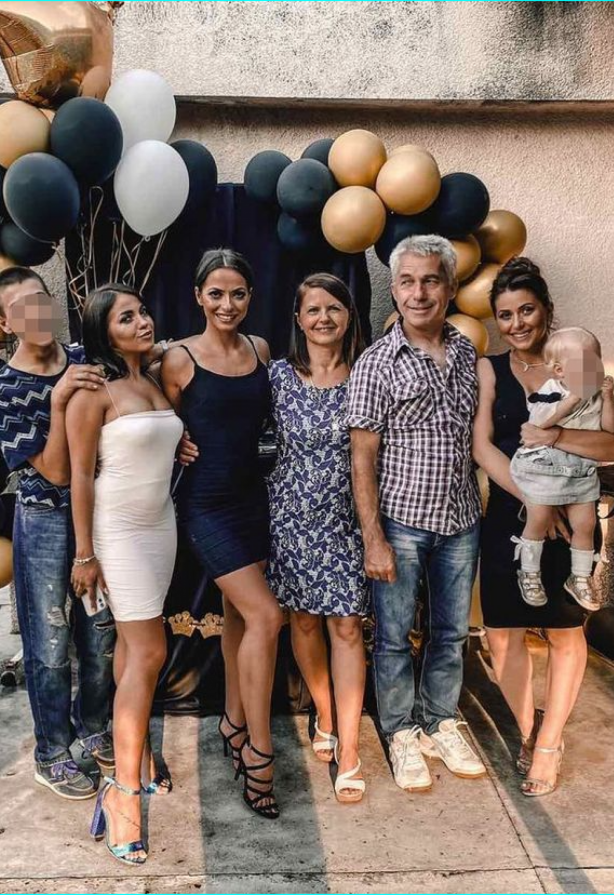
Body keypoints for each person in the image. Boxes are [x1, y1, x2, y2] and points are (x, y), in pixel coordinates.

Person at [473, 257, 614, 797]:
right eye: (505, 315)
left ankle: (549, 743)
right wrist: (539, 497)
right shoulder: (489, 369)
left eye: (526, 310)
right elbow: (482, 447)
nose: (517, 323)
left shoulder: (579, 366)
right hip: (510, 515)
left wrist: (559, 442)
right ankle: (528, 730)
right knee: (502, 634)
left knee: (565, 631)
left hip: (575, 513)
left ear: (546, 309)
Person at [347, 234, 487, 794]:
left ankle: (439, 721)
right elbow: (362, 456)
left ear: (450, 287)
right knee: (393, 636)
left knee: (451, 633)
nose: (418, 293)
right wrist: (373, 538)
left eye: (430, 280)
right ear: (395, 290)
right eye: (406, 281)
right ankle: (401, 731)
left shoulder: (466, 353)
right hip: (401, 522)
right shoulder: (376, 363)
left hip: (461, 520)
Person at [0, 267, 116, 801]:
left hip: (100, 516)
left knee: (100, 635)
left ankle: (94, 726)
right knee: (50, 644)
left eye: (40, 299)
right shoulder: (1, 391)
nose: (36, 313)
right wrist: (59, 402)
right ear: (4, 322)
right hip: (44, 523)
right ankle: (52, 752)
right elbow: (57, 472)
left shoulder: (89, 357)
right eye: (21, 308)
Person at [160, 248, 283, 819]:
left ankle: (233, 722)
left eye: (237, 294)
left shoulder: (261, 350)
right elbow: (152, 419)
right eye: (216, 294)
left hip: (253, 500)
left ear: (250, 297)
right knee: (266, 616)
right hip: (205, 505)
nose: (227, 304)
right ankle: (260, 749)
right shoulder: (178, 359)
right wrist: (175, 442)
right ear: (198, 297)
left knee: (239, 617)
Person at [66, 284, 184, 865]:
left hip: (161, 526)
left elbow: (159, 444)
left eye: (142, 312)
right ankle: (123, 794)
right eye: (125, 318)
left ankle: (134, 754)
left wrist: (182, 446)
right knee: (150, 651)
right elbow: (79, 476)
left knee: (134, 653)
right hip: (118, 531)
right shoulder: (93, 391)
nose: (142, 321)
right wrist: (84, 554)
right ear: (103, 333)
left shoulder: (154, 379)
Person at [266, 273, 369, 803]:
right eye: (313, 309)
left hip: (350, 519)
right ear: (299, 319)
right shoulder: (278, 376)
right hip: (291, 517)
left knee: (347, 626)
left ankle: (350, 751)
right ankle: (325, 713)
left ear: (349, 316)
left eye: (334, 308)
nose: (324, 318)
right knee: (303, 621)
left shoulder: (367, 374)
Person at [509, 326, 614, 612]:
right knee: (538, 519)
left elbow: (611, 430)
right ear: (560, 371)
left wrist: (608, 398)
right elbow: (540, 425)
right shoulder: (551, 391)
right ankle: (529, 573)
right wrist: (572, 399)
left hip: (580, 472)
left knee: (585, 524)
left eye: (595, 363)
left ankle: (580, 577)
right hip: (543, 470)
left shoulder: (599, 396)